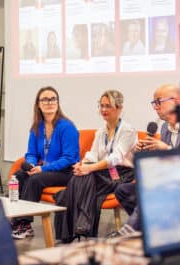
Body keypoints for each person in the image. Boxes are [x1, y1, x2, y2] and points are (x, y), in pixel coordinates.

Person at [109, 84, 180, 237]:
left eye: (159, 102)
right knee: (123, 190)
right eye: (154, 103)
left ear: (176, 102)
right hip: (168, 180)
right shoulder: (164, 127)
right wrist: (147, 151)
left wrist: (166, 148)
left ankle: (134, 231)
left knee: (153, 193)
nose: (155, 107)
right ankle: (148, 229)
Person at [55, 90, 137, 243]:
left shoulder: (127, 130)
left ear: (119, 108)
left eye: (108, 106)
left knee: (85, 177)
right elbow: (93, 154)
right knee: (80, 176)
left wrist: (90, 168)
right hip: (105, 172)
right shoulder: (101, 131)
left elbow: (116, 158)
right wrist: (83, 164)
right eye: (102, 106)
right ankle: (82, 226)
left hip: (122, 174)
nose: (104, 110)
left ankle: (71, 231)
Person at [11, 86, 80, 239]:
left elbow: (69, 158)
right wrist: (31, 165)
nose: (49, 102)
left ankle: (26, 223)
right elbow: (31, 153)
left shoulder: (67, 127)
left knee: (35, 179)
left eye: (53, 99)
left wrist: (43, 169)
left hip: (66, 171)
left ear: (57, 102)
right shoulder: (37, 127)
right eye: (45, 99)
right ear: (38, 104)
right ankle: (15, 220)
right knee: (18, 176)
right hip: (46, 169)